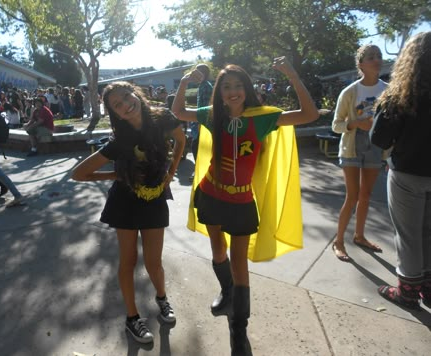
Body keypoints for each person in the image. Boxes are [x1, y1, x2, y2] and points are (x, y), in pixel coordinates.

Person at [172, 58, 318, 355]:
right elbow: (177, 112)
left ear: (247, 89)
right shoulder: (213, 115)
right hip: (211, 194)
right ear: (220, 91)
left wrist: (291, 74)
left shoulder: (262, 118)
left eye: (238, 86)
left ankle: (239, 329)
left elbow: (309, 114)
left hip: (241, 201)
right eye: (227, 86)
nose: (233, 91)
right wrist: (185, 83)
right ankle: (227, 293)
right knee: (217, 251)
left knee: (239, 262)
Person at [72, 81, 185, 344]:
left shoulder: (163, 118)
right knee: (128, 260)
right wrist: (118, 174)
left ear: (136, 93)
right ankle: (132, 318)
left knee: (154, 262)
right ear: (115, 113)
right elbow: (78, 173)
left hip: (155, 198)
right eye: (117, 105)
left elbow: (181, 140)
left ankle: (162, 298)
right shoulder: (120, 140)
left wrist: (171, 172)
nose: (126, 104)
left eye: (126, 96)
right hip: (125, 202)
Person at [370, 32, 431, 310]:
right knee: (428, 233)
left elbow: (379, 139)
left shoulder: (400, 95)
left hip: (407, 173)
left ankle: (407, 293)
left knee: (408, 235)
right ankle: (428, 288)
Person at [331, 44, 388, 262]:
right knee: (353, 196)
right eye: (371, 57)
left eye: (379, 56)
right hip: (352, 146)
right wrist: (355, 124)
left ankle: (359, 236)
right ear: (361, 64)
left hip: (376, 147)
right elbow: (336, 125)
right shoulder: (350, 92)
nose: (377, 60)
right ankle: (339, 242)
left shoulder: (389, 90)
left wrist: (391, 153)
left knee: (366, 195)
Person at [189, 64, 213, 181]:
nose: (196, 75)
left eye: (199, 73)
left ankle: (201, 171)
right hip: (198, 123)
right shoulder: (202, 86)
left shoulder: (206, 86)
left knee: (196, 147)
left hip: (202, 123)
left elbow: (207, 106)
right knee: (196, 147)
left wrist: (201, 124)